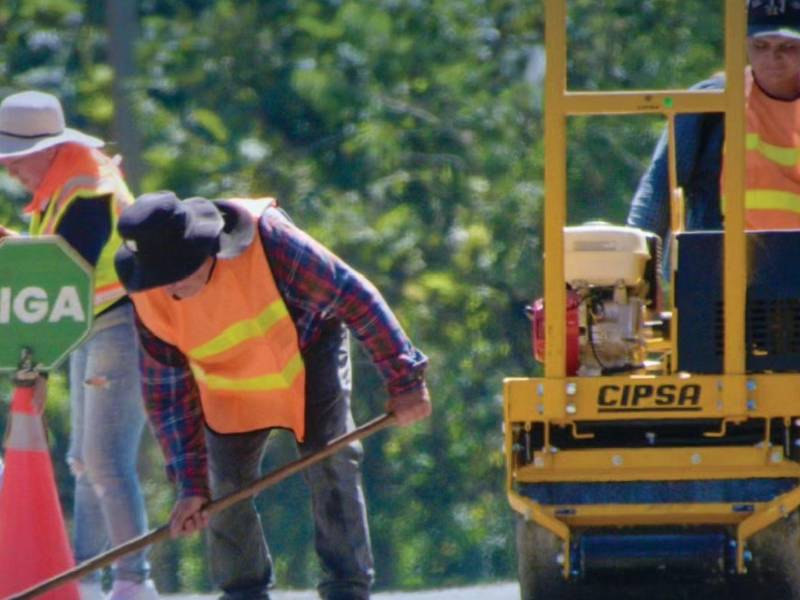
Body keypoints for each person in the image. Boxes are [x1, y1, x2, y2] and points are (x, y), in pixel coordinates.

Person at [113, 191, 432, 600]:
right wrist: (191, 485)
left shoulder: (269, 241)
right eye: (160, 276)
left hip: (306, 354)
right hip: (228, 388)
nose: (170, 286)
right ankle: (243, 592)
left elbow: (355, 297)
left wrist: (405, 381)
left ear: (203, 245)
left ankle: (346, 588)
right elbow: (168, 397)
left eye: (178, 270)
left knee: (332, 458)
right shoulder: (147, 295)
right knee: (222, 491)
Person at [0, 91, 157, 600]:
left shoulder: (84, 187)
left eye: (14, 157)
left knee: (105, 459)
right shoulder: (61, 185)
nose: (9, 169)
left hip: (119, 323)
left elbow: (64, 267)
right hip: (91, 328)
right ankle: (85, 577)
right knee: (85, 461)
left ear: (46, 147)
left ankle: (133, 579)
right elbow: (53, 271)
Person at [628, 0, 800, 245]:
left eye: (787, 47)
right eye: (760, 45)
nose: (773, 57)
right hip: (717, 271)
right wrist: (632, 263)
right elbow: (659, 188)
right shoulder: (711, 101)